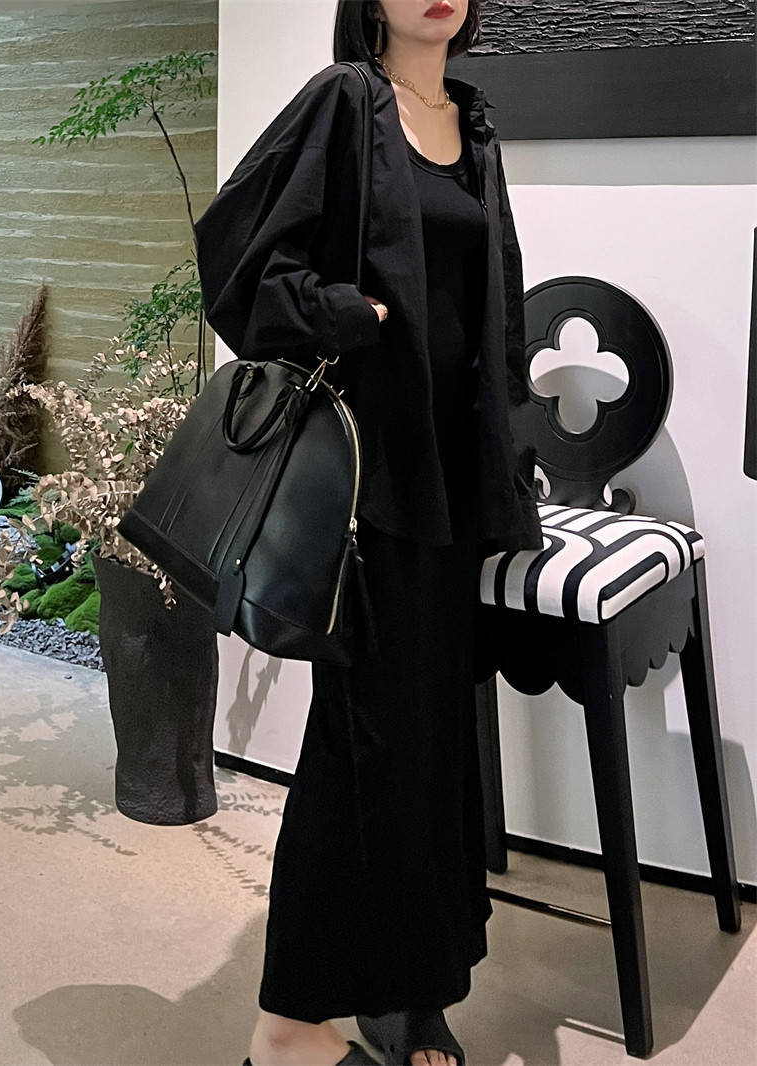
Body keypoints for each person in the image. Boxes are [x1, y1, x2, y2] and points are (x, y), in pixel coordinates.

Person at [193, 3, 543, 1064]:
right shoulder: (346, 102)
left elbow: (496, 309)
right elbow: (235, 252)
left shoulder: (473, 123)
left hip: (450, 483)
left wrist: (508, 459)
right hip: (369, 480)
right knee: (365, 743)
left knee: (426, 747)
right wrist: (343, 312)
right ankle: (286, 1024)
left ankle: (408, 994)